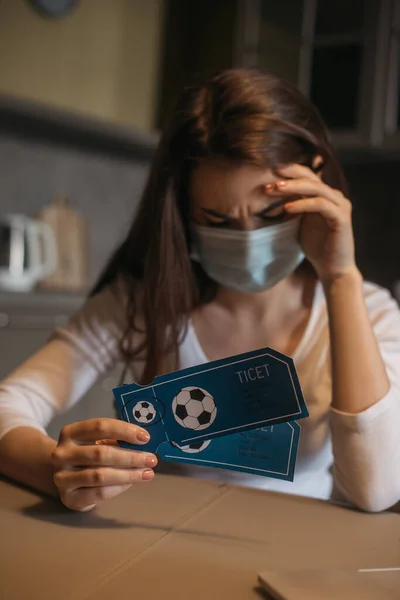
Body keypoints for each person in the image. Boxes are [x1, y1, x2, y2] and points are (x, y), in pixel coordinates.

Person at [0, 69, 399, 514]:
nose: (249, 240)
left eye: (271, 215)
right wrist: (56, 468)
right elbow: (9, 405)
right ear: (183, 212)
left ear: (317, 180)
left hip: (302, 550)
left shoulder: (371, 313)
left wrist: (341, 277)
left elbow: (376, 490)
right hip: (163, 542)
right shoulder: (143, 302)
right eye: (218, 222)